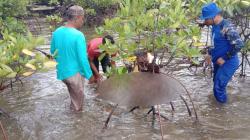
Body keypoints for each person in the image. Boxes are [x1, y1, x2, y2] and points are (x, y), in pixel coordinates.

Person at [50, 5, 95, 111]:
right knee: (78, 107)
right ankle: (76, 124)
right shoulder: (78, 35)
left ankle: (72, 117)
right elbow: (82, 59)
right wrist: (90, 75)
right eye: (83, 18)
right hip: (74, 75)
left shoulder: (57, 32)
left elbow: (53, 52)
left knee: (74, 99)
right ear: (78, 17)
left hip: (63, 73)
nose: (83, 21)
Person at [200, 2, 244, 103]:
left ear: (214, 16)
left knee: (218, 88)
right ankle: (220, 106)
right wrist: (209, 54)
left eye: (206, 19)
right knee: (217, 83)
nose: (205, 21)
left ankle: (222, 111)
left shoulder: (227, 27)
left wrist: (225, 58)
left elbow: (239, 44)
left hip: (228, 62)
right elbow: (218, 44)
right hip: (218, 61)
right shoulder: (215, 26)